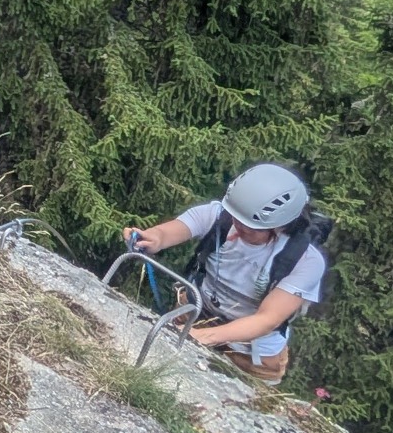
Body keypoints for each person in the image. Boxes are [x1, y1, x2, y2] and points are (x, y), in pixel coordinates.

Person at [122, 162, 328, 383]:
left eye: (250, 227)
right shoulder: (218, 216)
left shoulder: (305, 261)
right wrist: (153, 238)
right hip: (195, 313)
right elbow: (169, 231)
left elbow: (267, 318)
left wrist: (203, 336)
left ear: (281, 225)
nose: (238, 226)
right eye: (235, 217)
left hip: (250, 353)